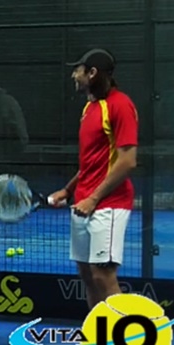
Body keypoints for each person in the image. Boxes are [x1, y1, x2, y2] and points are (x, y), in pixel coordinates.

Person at [49, 48, 138, 310]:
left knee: (103, 276)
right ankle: (98, 334)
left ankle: (124, 335)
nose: (73, 75)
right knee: (88, 276)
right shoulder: (90, 108)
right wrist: (68, 190)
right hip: (82, 203)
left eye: (77, 70)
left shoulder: (121, 105)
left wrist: (93, 198)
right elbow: (91, 162)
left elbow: (127, 161)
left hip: (109, 205)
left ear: (92, 72)